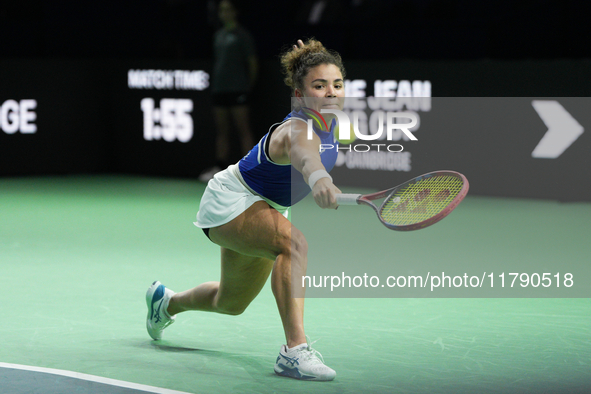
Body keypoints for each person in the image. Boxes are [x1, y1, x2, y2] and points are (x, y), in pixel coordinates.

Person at [146, 38, 345, 381]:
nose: (331, 92)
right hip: (233, 198)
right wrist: (320, 180)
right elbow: (305, 155)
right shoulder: (296, 129)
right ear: (299, 96)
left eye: (337, 84)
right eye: (319, 85)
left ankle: (165, 302)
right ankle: (294, 352)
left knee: (230, 302)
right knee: (294, 245)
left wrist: (312, 57)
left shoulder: (332, 125)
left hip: (267, 207)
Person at [199, 0, 258, 182]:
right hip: (219, 89)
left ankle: (252, 170)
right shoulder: (218, 36)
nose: (224, 13)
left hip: (238, 89)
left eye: (228, 9)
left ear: (235, 12)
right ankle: (219, 166)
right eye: (221, 10)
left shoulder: (243, 35)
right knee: (222, 131)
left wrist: (248, 87)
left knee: (243, 129)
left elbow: (252, 63)